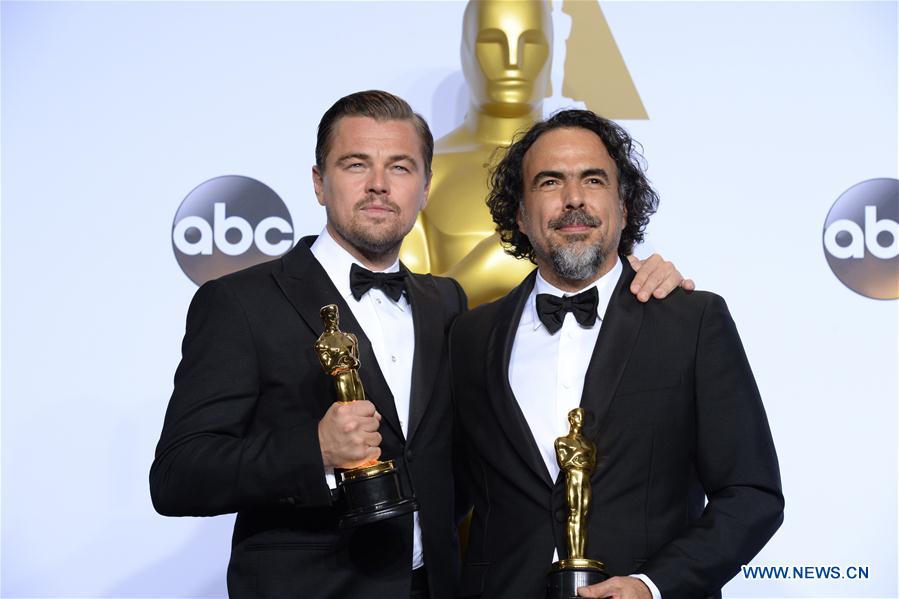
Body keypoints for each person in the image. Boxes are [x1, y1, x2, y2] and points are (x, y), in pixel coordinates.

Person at [150, 90, 687, 599]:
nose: (380, 185)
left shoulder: (447, 305)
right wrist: (313, 453)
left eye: (400, 167)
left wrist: (631, 279)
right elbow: (177, 476)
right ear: (318, 182)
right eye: (356, 164)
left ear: (425, 188)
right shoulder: (242, 303)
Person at [450, 109, 784, 599]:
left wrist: (653, 585)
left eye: (593, 179)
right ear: (520, 214)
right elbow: (444, 497)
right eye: (549, 182)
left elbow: (752, 496)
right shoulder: (469, 336)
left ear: (624, 208)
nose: (574, 199)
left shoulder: (692, 322)